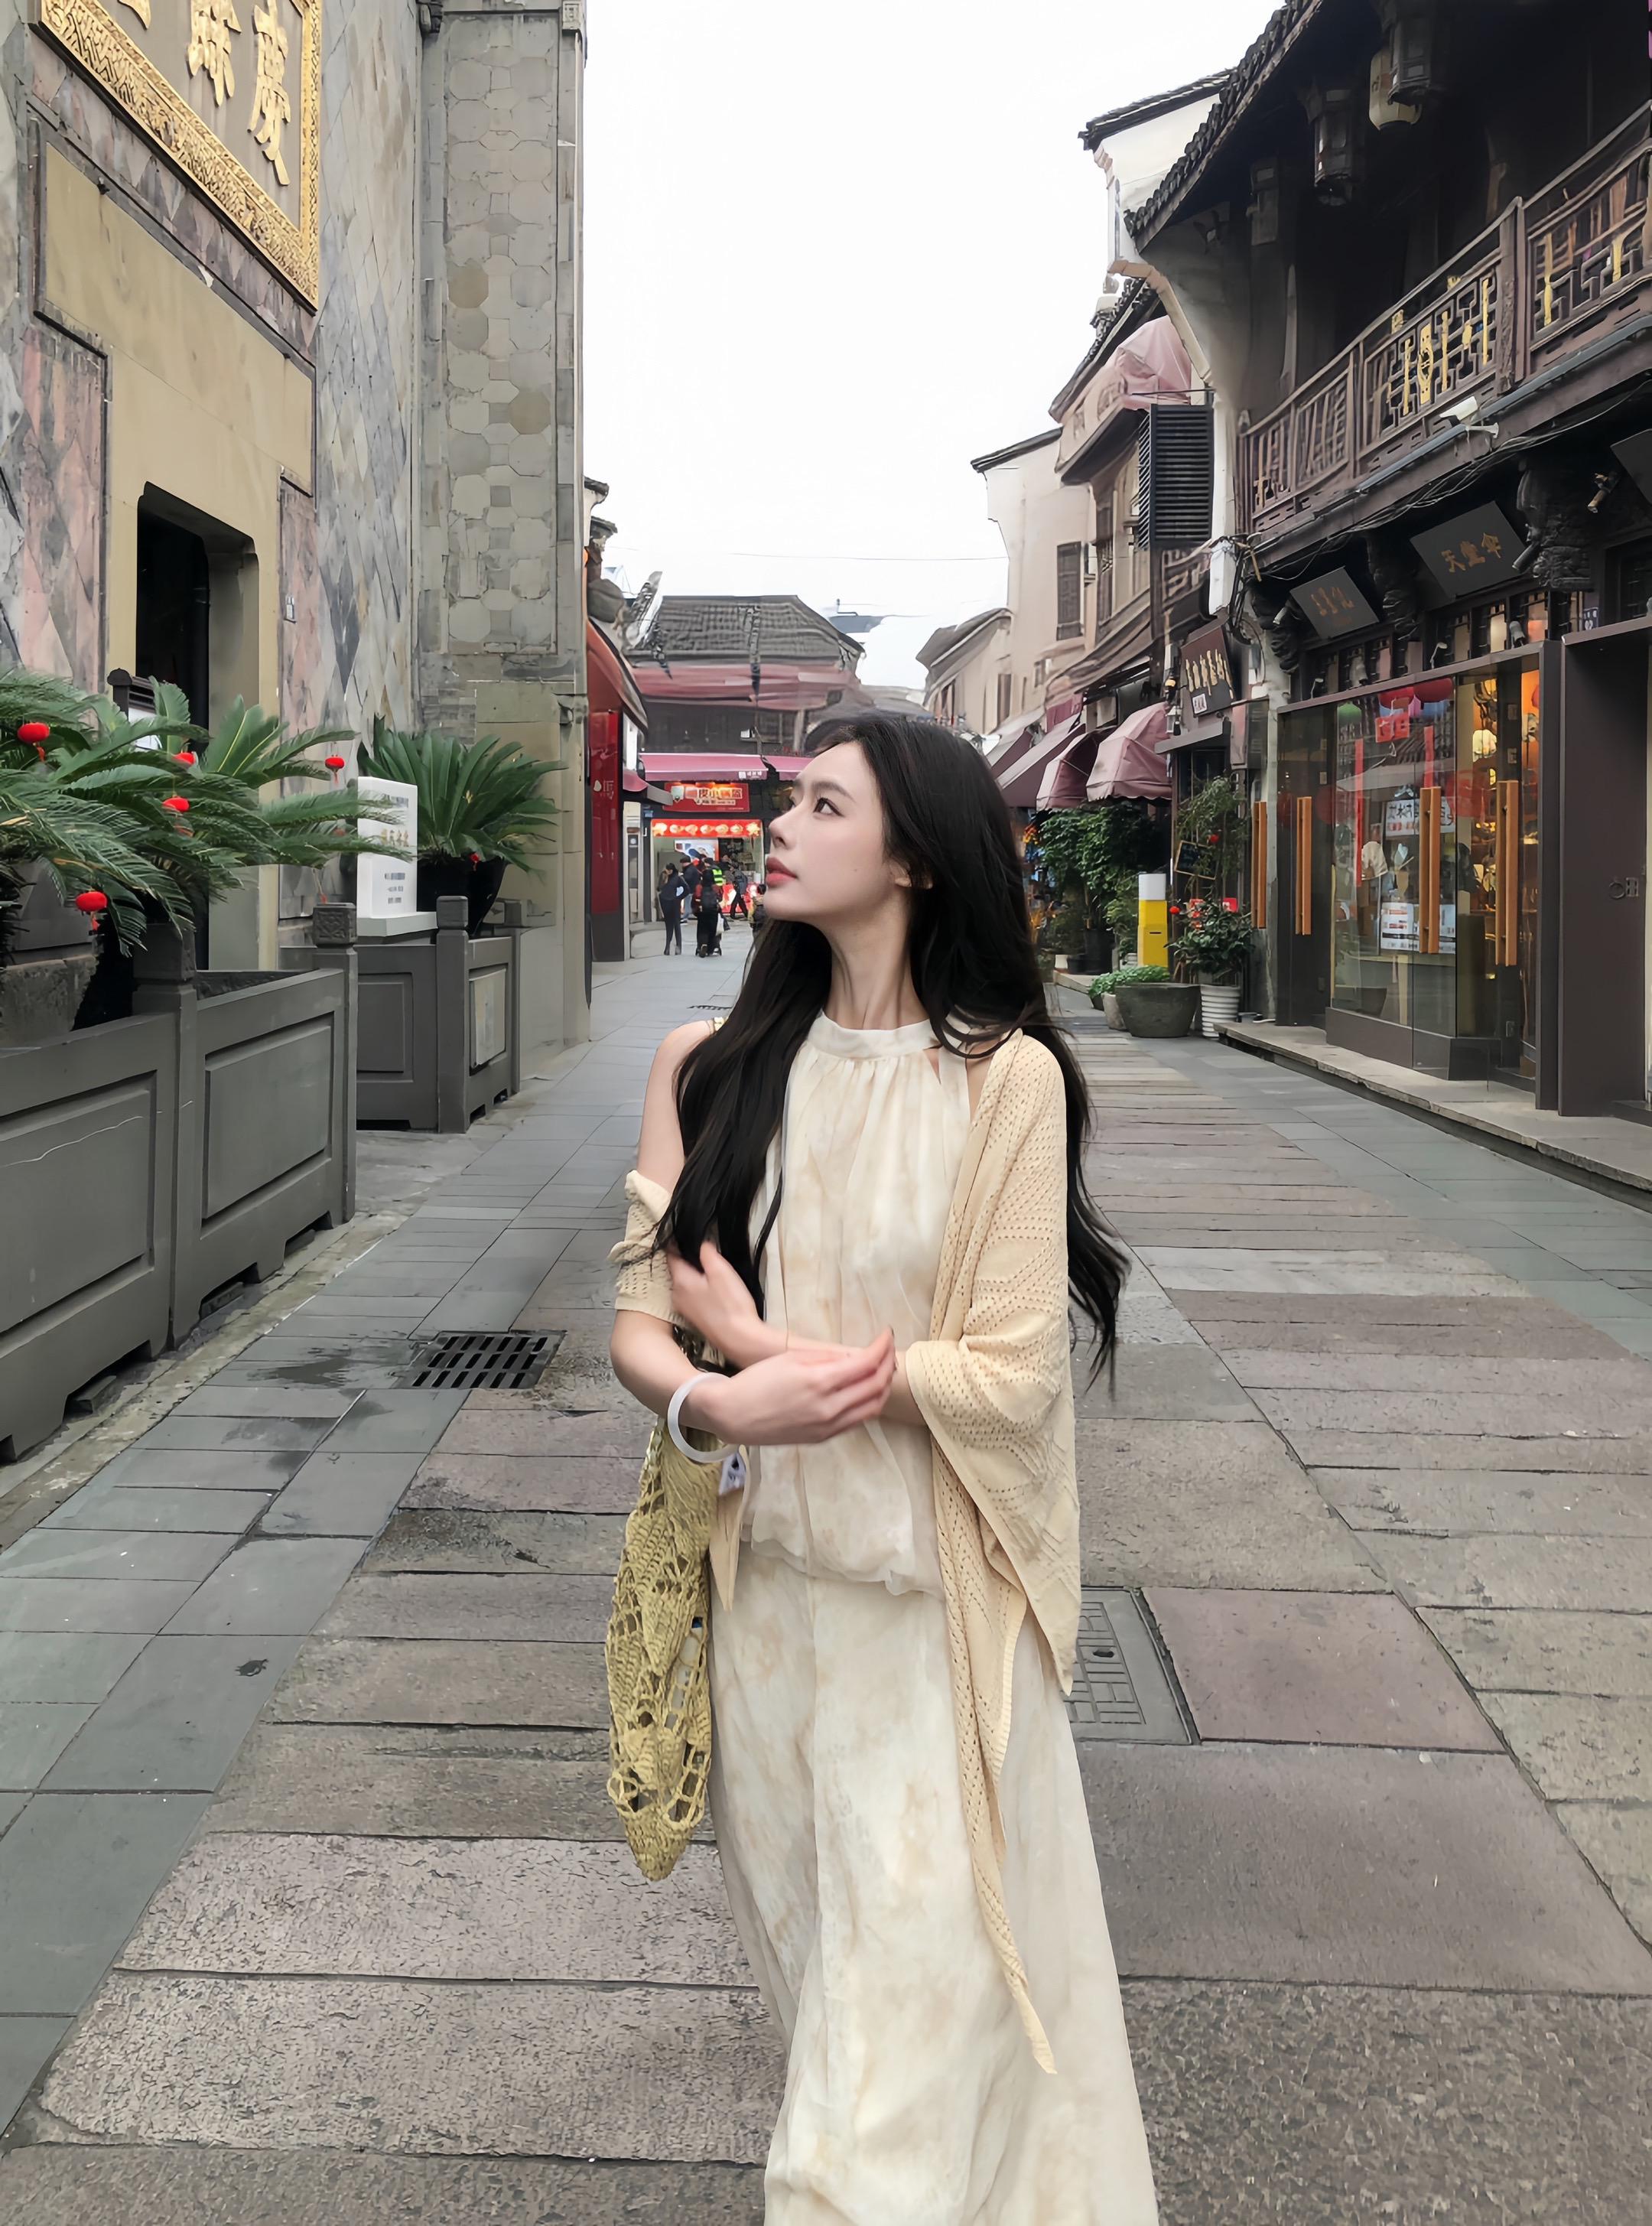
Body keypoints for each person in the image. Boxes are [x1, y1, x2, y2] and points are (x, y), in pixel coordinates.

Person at [610, 714, 1159, 2224]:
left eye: (824, 804)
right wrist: (713, 1402)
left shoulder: (1006, 1083)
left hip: (939, 1642)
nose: (782, 826)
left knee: (860, 2128)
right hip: (770, 1636)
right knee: (850, 2042)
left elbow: (1012, 1375)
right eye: (787, 801)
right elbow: (641, 1332)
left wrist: (766, 1355)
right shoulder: (708, 1068)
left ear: (914, 857)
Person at [657, 864, 686, 956]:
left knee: (676, 924)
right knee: (668, 925)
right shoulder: (664, 877)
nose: (668, 872)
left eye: (669, 871)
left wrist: (679, 898)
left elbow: (686, 889)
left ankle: (678, 946)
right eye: (667, 870)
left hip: (674, 903)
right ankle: (667, 947)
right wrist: (664, 878)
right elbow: (659, 888)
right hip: (665, 902)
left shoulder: (678, 878)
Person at [693, 868, 722, 958]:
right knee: (712, 930)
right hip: (713, 911)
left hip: (702, 912)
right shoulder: (716, 887)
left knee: (702, 929)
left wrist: (696, 909)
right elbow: (720, 897)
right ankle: (711, 949)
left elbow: (695, 898)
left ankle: (702, 945)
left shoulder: (699, 887)